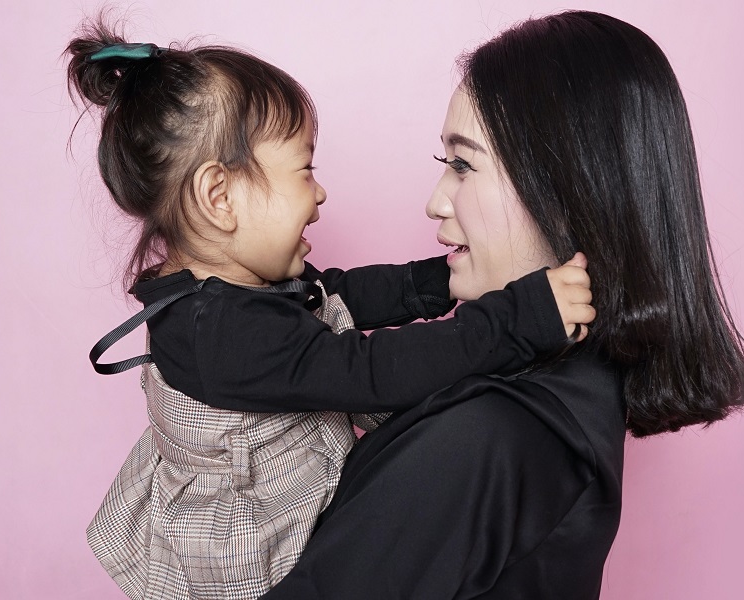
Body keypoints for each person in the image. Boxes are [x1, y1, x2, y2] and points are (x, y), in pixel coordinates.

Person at [65, 19, 596, 600]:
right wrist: (519, 317)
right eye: (304, 170)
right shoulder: (218, 334)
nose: (319, 196)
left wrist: (439, 281)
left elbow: (336, 296)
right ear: (220, 198)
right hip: (249, 557)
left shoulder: (228, 287)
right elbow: (370, 372)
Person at [261, 10, 744, 599]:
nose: (436, 202)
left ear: (572, 188)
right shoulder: (562, 397)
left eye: (464, 164)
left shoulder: (485, 438)